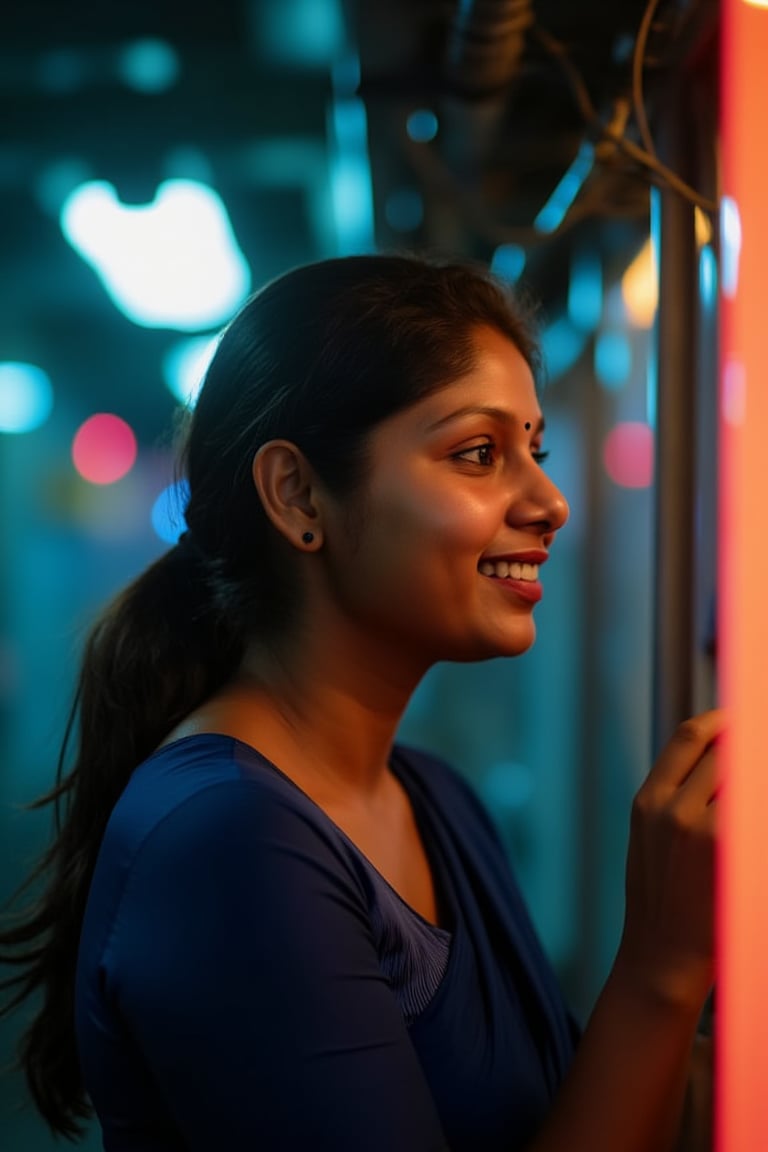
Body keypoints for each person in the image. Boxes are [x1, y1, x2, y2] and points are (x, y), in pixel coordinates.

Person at [0, 253, 720, 1151]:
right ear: (299, 494)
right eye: (478, 453)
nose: (550, 500)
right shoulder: (228, 844)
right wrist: (660, 967)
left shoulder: (437, 798)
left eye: (533, 449)